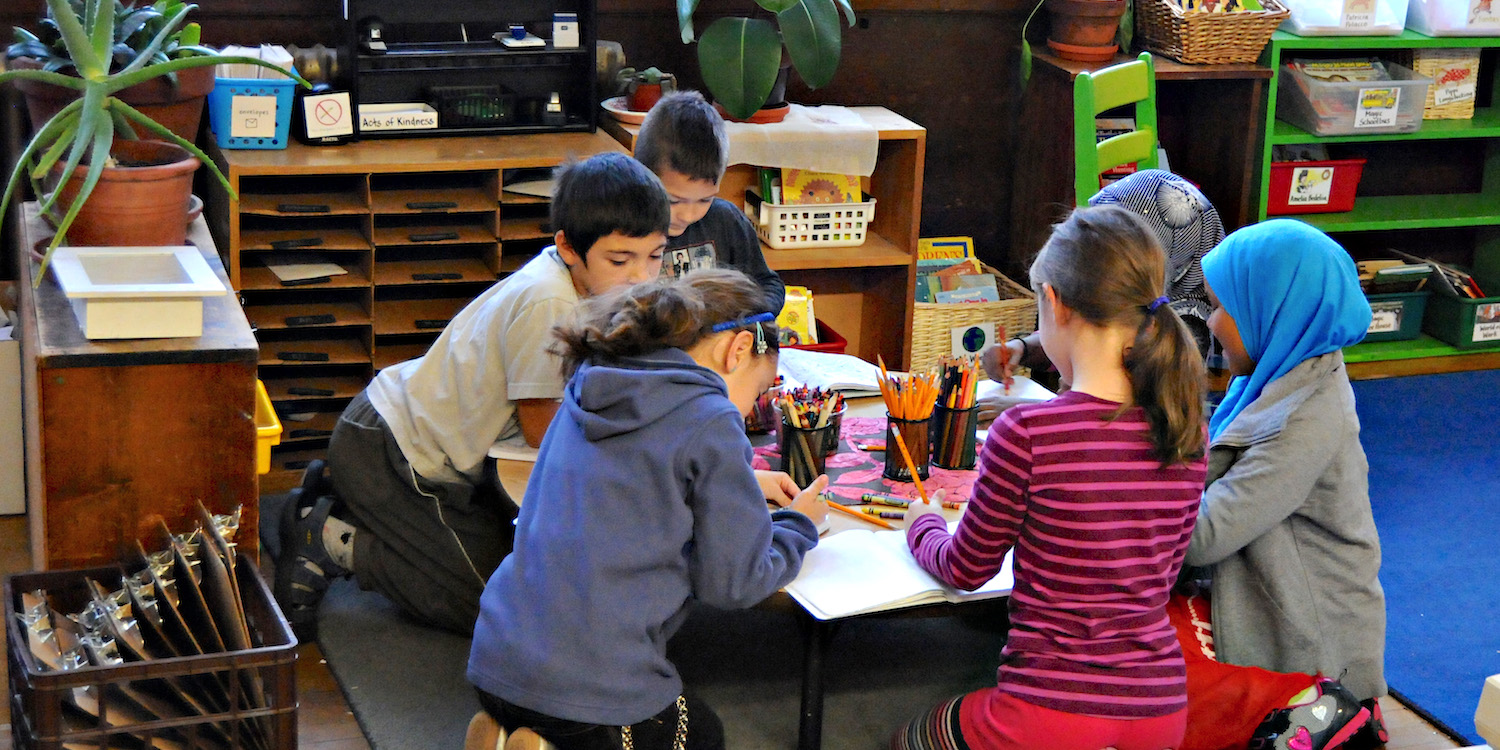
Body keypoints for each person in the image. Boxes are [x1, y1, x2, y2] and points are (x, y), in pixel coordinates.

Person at [273, 152, 672, 638]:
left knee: (527, 575)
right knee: (499, 609)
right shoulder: (553, 302)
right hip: (396, 456)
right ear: (568, 247)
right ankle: (331, 538)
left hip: (412, 442)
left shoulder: (583, 281)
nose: (641, 277)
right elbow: (542, 431)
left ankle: (357, 509)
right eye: (620, 259)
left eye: (655, 256)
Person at [465, 268, 828, 750]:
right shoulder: (711, 417)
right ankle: (553, 743)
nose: (749, 411)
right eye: (758, 393)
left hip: (497, 658)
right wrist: (799, 524)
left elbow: (635, 474)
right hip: (588, 690)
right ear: (737, 350)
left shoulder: (592, 379)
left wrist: (743, 482)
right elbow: (735, 583)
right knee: (698, 735)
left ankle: (511, 734)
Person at [892, 205, 1209, 750]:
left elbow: (966, 568)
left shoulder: (1029, 432)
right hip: (1160, 709)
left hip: (1049, 712)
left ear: (1056, 305)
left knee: (910, 737)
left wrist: (922, 524)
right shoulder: (1186, 427)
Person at [1182, 219, 1388, 750]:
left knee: (1125, 655)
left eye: (1224, 307)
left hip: (1304, 635)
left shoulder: (1305, 418)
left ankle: (1330, 709)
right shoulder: (1275, 374)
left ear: (1272, 310)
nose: (1213, 321)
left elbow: (1203, 537)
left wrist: (1108, 498)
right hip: (1254, 590)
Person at [979, 169, 1221, 420]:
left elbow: (1108, 418)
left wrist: (1030, 414)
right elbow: (1085, 326)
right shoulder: (1144, 310)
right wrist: (1021, 349)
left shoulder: (1182, 334)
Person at [634, 90, 785, 314]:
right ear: (641, 176)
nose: (688, 214)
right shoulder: (627, 225)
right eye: (673, 201)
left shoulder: (725, 220)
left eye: (705, 199)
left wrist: (753, 317)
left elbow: (767, 283)